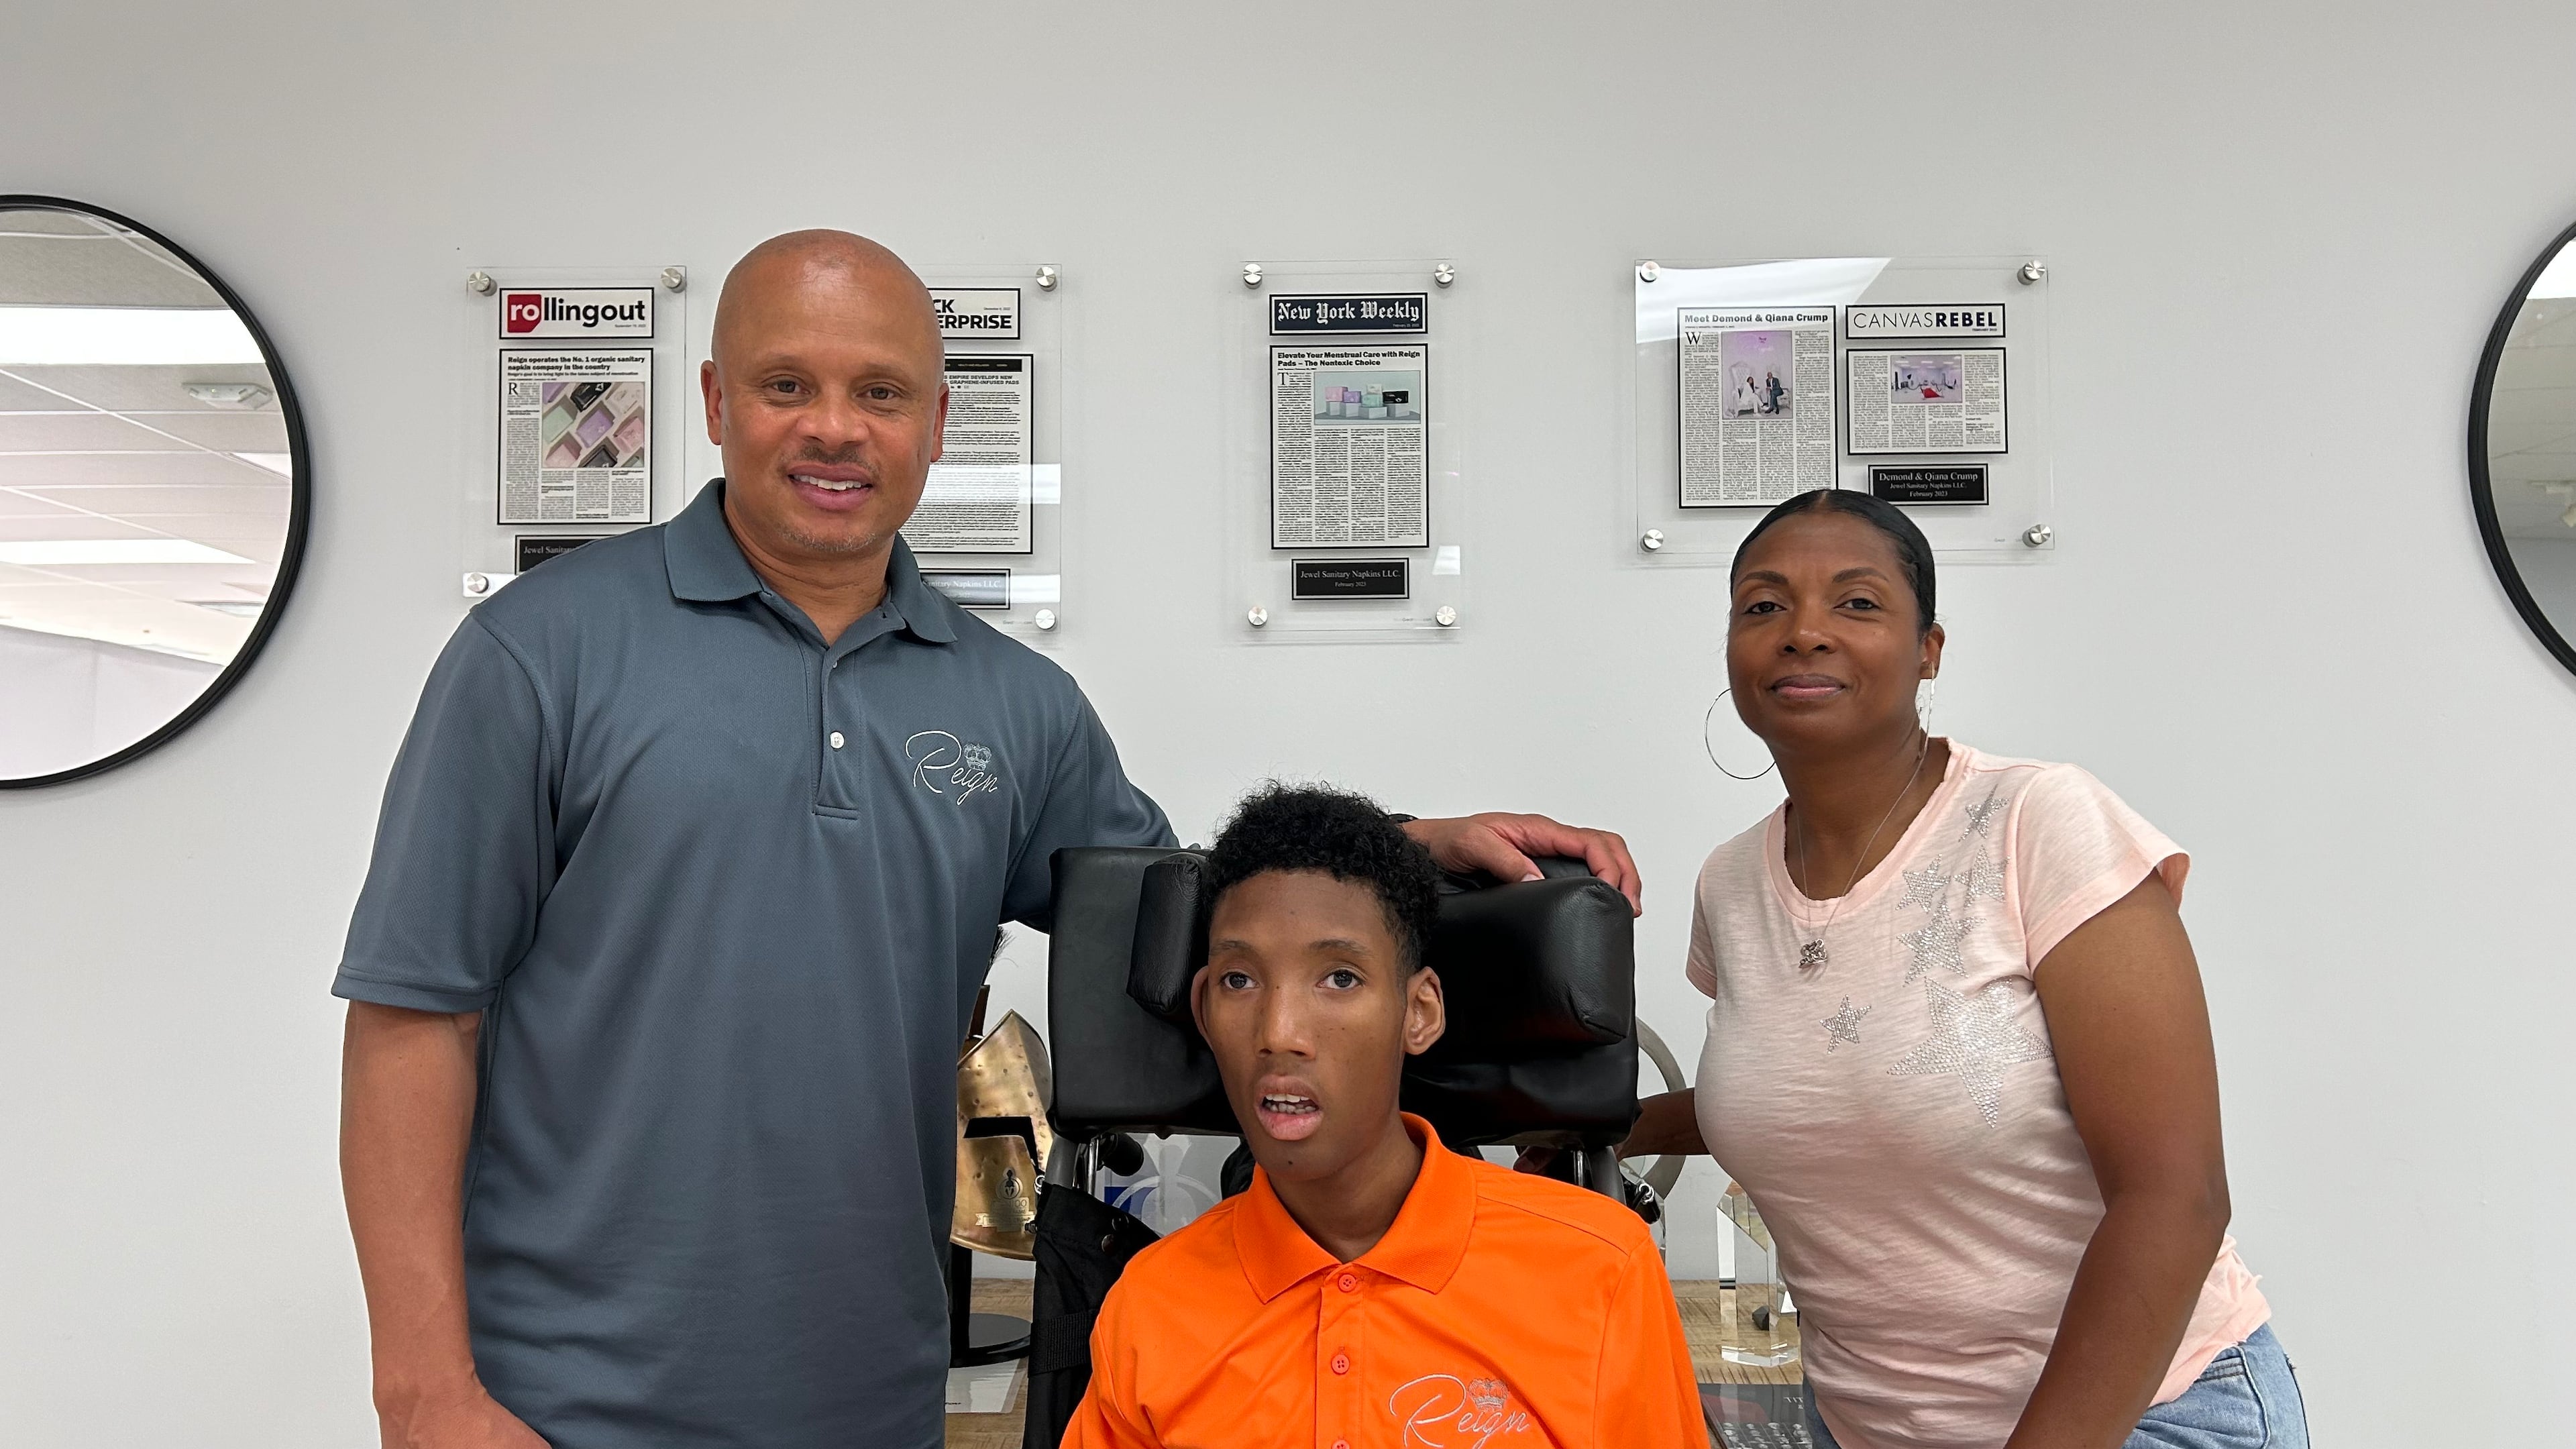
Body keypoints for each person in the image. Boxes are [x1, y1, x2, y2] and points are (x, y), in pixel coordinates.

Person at [333, 231, 1642, 1449]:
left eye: (882, 392)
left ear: (939, 424)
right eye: (788, 385)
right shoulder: (539, 653)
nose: (835, 427)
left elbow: (1188, 908)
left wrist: (1408, 845)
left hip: (868, 1397)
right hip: (562, 1397)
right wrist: (425, 1387)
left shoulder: (1017, 707)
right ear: (718, 401)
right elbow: (411, 1019)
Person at [1615, 490, 2308, 1448]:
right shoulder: (1730, 882)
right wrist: (1592, 1129)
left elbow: (2176, 1199)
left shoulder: (2039, 822)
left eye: (1857, 603)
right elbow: (1825, 1088)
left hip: (2148, 1415)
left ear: (1928, 650)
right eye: (1764, 606)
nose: (1804, 631)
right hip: (1867, 1424)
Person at [1064, 786, 1706, 1449]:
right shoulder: (1148, 1306)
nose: (1279, 1033)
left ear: (1419, 1012)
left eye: (1340, 978)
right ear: (1204, 1011)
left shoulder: (1601, 1270)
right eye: (1239, 980)